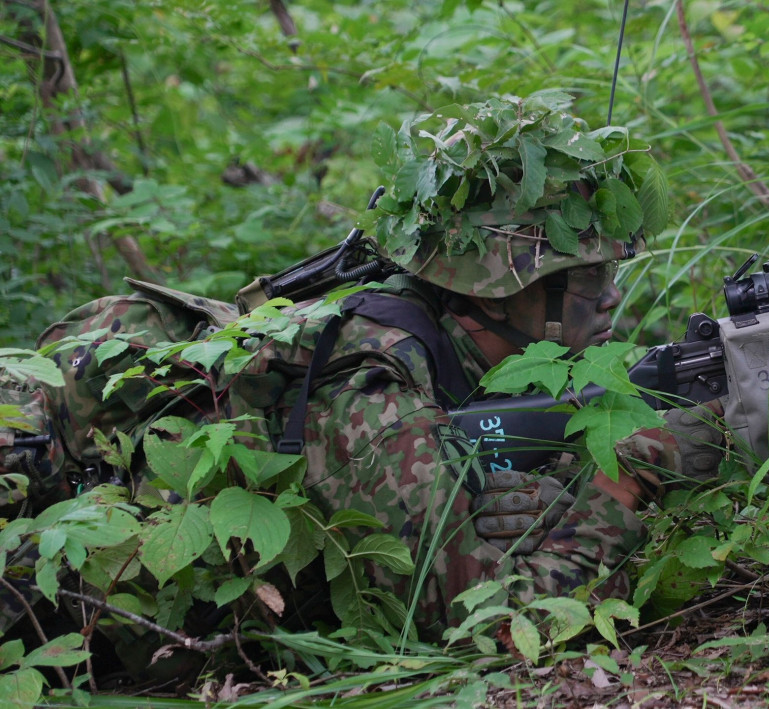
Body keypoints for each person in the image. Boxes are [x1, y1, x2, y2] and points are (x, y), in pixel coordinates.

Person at [0, 94, 727, 649]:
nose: (610, 296)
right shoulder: (376, 384)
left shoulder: (453, 335)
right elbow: (490, 625)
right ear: (499, 287)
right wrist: (623, 484)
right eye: (586, 276)